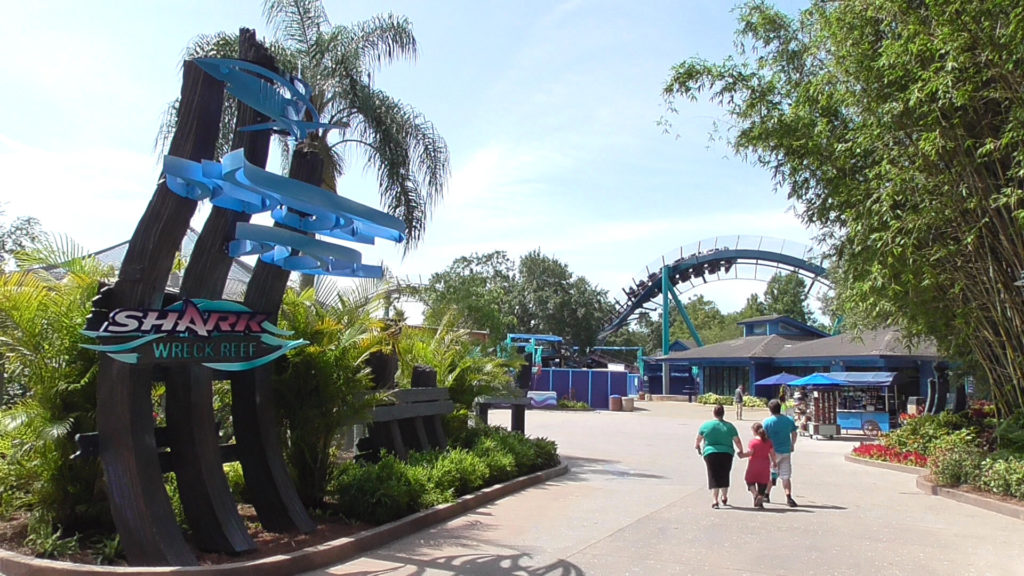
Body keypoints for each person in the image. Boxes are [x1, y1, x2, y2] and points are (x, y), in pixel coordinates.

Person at [695, 404, 744, 509]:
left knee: (713, 475)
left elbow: (698, 439)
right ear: (723, 413)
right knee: (724, 474)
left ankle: (715, 500)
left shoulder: (706, 425)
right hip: (726, 453)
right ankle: (724, 496)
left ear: (714, 413)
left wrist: (697, 446)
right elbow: (737, 440)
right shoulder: (730, 426)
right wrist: (741, 450)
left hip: (710, 453)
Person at [762, 398, 799, 507]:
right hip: (786, 450)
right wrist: (792, 444)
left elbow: (764, 437)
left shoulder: (767, 422)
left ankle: (766, 494)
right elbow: (794, 433)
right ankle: (788, 497)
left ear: (770, 409)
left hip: (773, 451)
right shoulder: (789, 420)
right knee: (786, 475)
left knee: (772, 472)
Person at [738, 422, 776, 509]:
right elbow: (772, 453)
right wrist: (774, 462)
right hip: (765, 465)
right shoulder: (768, 442)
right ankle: (760, 498)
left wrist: (742, 455)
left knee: (749, 481)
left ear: (754, 431)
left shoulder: (753, 442)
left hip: (754, 465)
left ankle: (755, 494)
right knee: (763, 484)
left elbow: (750, 453)